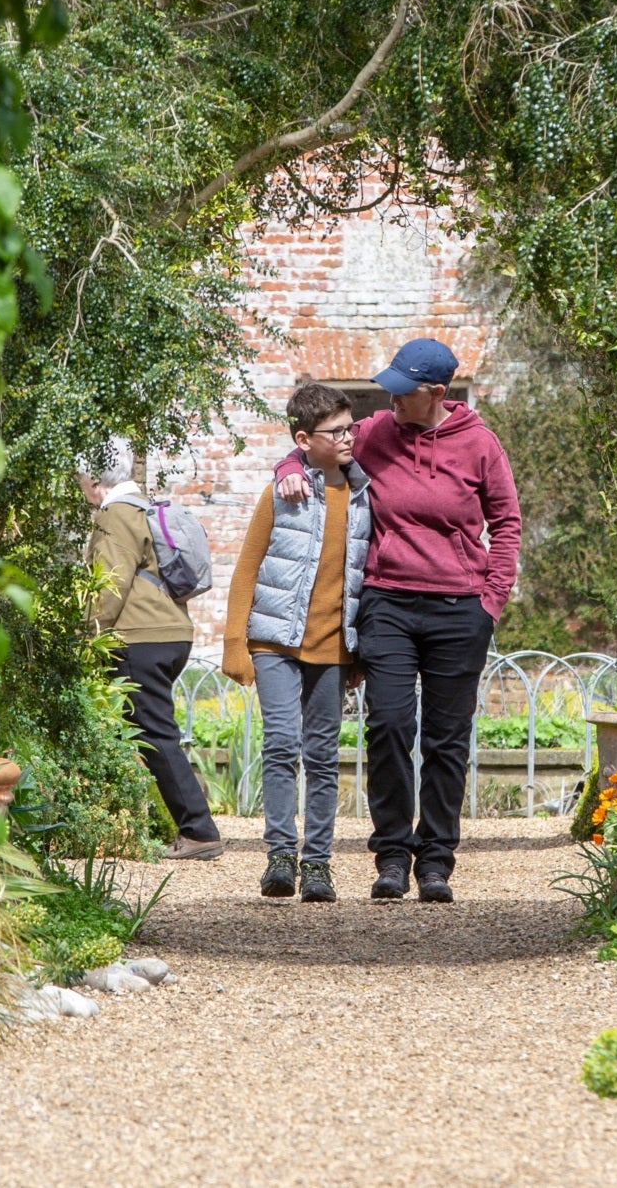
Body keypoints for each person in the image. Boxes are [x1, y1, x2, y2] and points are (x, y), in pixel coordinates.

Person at [272, 338, 519, 903]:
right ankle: (389, 856)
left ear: (436, 393)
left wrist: (490, 602)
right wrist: (289, 462)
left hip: (460, 609)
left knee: (446, 740)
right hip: (388, 603)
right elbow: (318, 444)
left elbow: (506, 524)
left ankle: (435, 862)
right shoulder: (378, 431)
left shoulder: (480, 445)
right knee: (388, 725)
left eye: (403, 390)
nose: (390, 397)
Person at [220, 382, 373, 905]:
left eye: (350, 427)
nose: (349, 437)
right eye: (337, 432)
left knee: (324, 755)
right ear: (305, 440)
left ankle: (318, 864)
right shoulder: (282, 492)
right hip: (275, 643)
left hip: (332, 647)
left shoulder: (362, 495)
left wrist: (358, 652)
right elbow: (246, 570)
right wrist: (233, 643)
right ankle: (280, 854)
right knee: (283, 743)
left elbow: (361, 577)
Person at [81, 446, 224, 861]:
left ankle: (199, 831)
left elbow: (110, 583)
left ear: (93, 479)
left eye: (81, 479)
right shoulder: (144, 505)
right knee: (153, 730)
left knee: (155, 733)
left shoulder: (115, 514)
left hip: (138, 636)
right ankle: (181, 824)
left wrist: (89, 635)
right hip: (172, 632)